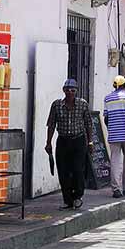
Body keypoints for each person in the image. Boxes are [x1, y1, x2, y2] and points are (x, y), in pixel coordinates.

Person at [45, 78, 94, 210]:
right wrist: (48, 142)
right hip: (63, 141)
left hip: (78, 140)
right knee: (63, 171)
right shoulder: (56, 105)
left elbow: (89, 124)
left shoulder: (83, 104)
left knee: (78, 169)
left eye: (72, 90)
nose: (70, 92)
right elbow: (51, 124)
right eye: (67, 90)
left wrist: (90, 141)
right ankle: (67, 200)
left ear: (76, 91)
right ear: (63, 91)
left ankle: (78, 196)